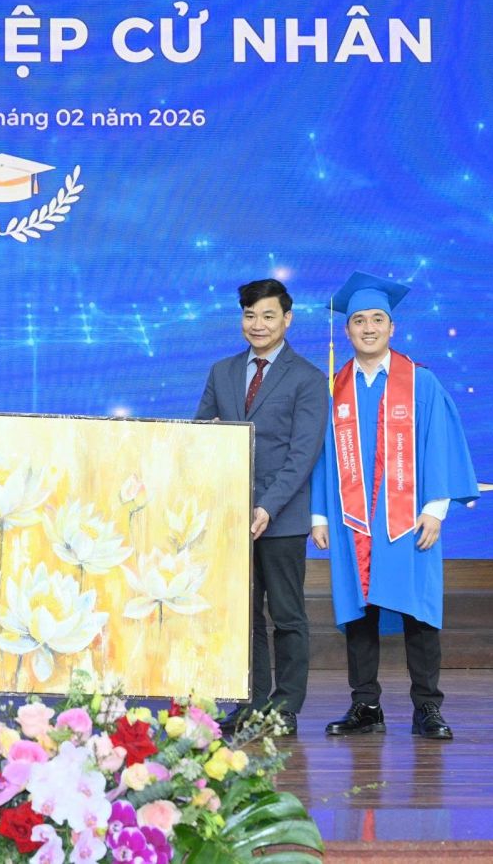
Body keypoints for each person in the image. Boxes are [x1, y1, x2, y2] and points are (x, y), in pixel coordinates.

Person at [310, 272, 479, 741]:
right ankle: (365, 705)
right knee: (358, 611)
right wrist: (319, 514)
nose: (368, 328)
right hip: (351, 519)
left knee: (418, 611)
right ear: (347, 330)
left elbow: (439, 443)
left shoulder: (420, 382)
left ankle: (427, 707)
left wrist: (436, 508)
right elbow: (321, 453)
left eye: (377, 319)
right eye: (359, 320)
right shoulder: (334, 388)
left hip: (410, 519)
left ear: (392, 327)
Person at [196, 278, 328, 736]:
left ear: (287, 320)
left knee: (287, 615)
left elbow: (303, 454)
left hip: (282, 517)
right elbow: (200, 433)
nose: (258, 324)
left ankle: (285, 707)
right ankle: (249, 704)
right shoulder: (222, 372)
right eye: (250, 315)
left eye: (268, 316)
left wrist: (268, 506)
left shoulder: (308, 378)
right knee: (244, 615)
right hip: (231, 514)